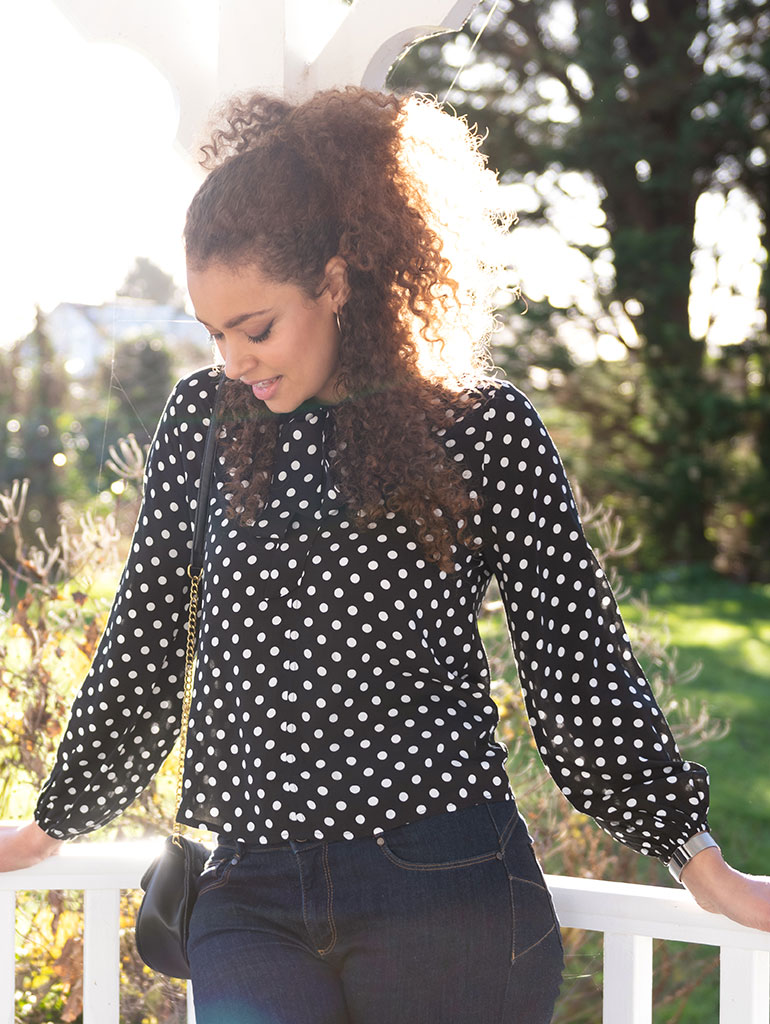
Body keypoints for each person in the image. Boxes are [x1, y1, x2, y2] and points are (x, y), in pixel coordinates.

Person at [1, 86, 768, 1024]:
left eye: (258, 328)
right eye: (213, 332)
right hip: (250, 888)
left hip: (444, 881)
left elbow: (579, 667)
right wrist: (54, 823)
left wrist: (697, 859)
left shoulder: (484, 429)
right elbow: (149, 642)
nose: (234, 360)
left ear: (336, 280)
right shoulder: (203, 420)